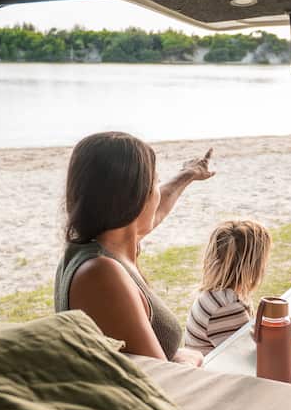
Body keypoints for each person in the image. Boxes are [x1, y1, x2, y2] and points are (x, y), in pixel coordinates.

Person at [54, 132, 214, 366]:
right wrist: (188, 359)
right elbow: (160, 378)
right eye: (155, 183)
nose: (158, 191)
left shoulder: (104, 242)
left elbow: (159, 206)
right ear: (136, 197)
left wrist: (188, 174)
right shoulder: (100, 274)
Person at [183, 220, 272, 355]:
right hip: (212, 368)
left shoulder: (218, 294)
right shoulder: (226, 307)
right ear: (255, 265)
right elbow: (244, 356)